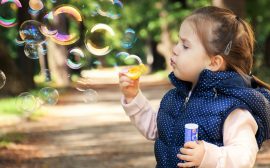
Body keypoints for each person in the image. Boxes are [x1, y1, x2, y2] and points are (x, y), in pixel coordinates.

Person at [119, 6, 270, 168]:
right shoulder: (175, 97)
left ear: (213, 62)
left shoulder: (232, 108)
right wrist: (133, 96)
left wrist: (208, 155)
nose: (175, 50)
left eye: (185, 46)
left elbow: (244, 156)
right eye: (178, 41)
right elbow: (157, 130)